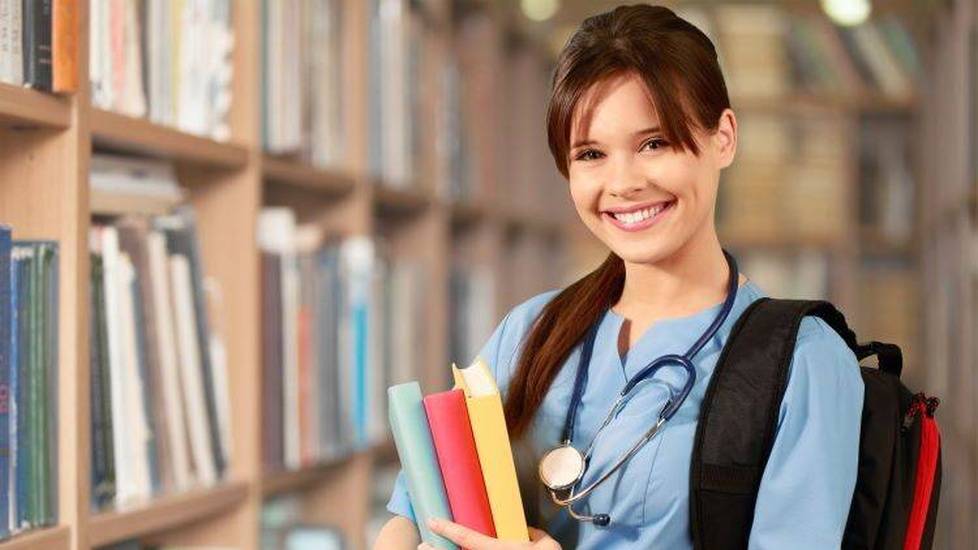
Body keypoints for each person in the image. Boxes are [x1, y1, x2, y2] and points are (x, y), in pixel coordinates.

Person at [374, 4, 863, 549]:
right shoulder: (530, 330)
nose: (623, 183)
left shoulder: (804, 363)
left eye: (654, 143)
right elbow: (415, 510)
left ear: (723, 137)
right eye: (591, 154)